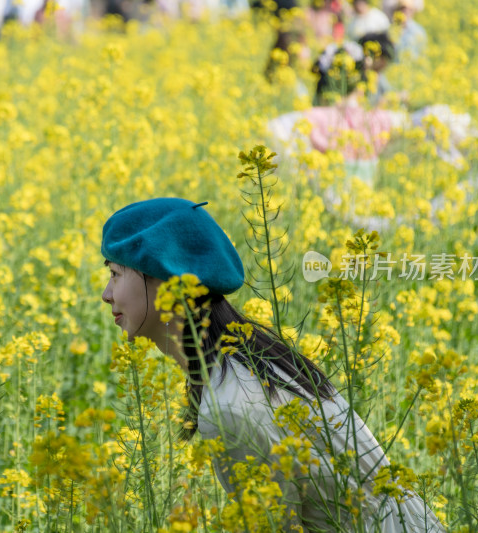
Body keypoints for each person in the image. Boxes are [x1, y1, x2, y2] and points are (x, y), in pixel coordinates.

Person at [100, 197, 446, 532]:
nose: (106, 294)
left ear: (167, 280)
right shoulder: (255, 358)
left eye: (115, 274)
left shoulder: (230, 408)